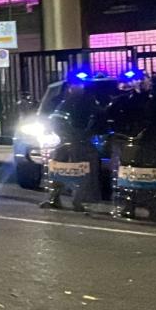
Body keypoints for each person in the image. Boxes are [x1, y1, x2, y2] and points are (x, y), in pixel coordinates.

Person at [104, 71, 156, 219]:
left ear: (149, 82)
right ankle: (129, 206)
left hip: (150, 144)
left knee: (151, 175)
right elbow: (110, 117)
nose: (140, 82)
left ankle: (153, 208)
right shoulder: (123, 100)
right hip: (128, 144)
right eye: (137, 80)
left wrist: (153, 133)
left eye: (143, 80)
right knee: (129, 175)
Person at [40, 76, 110, 211]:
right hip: (65, 142)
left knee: (82, 174)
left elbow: (100, 123)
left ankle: (79, 201)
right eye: (73, 86)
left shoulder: (89, 104)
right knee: (58, 170)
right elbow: (55, 121)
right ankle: (55, 198)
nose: (74, 88)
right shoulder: (65, 103)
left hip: (81, 143)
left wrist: (85, 134)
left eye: (77, 86)